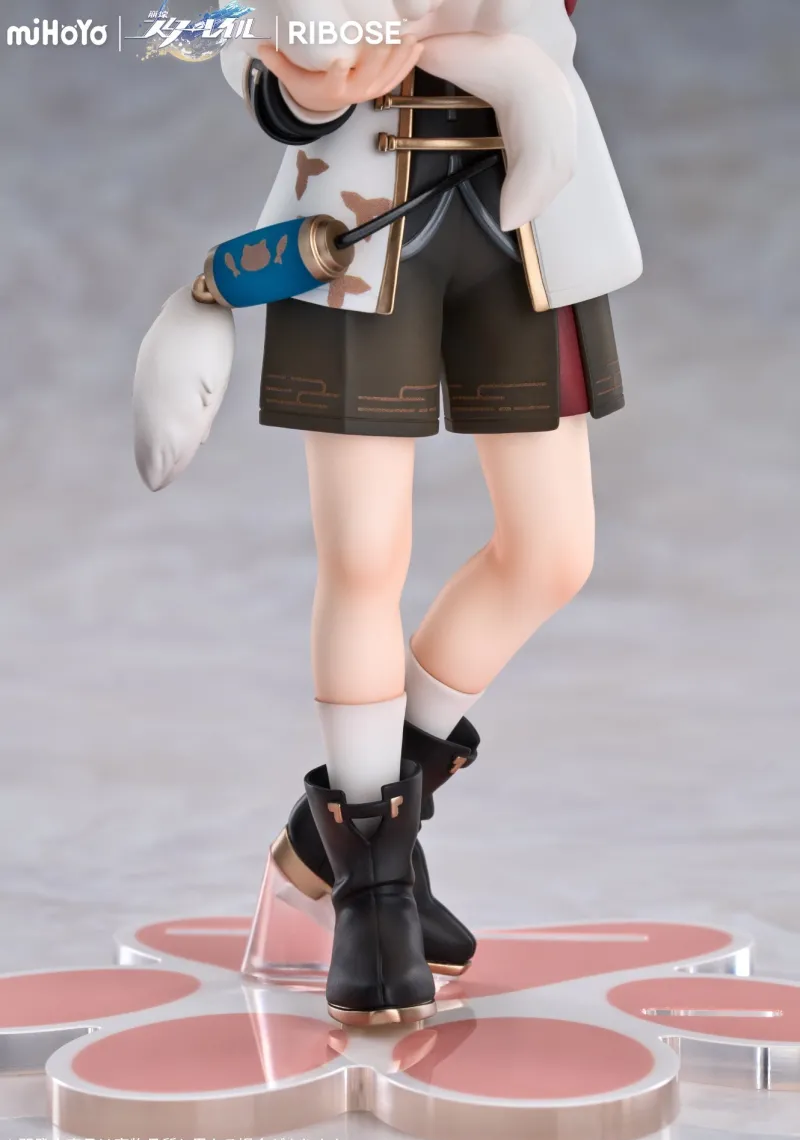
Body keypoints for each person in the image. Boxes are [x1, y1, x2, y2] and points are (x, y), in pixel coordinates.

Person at [133, 0, 642, 1028]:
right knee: (366, 554)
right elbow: (227, 29)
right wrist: (293, 80)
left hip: (526, 220)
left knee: (550, 552)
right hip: (354, 221)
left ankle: (335, 840)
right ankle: (373, 886)